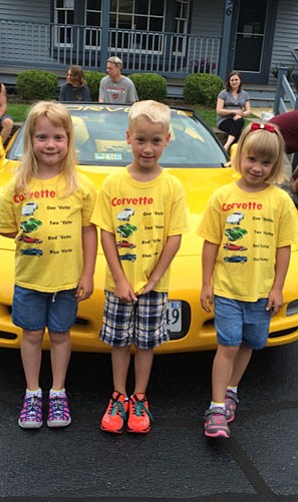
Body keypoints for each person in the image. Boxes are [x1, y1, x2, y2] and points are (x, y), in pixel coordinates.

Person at [0, 101, 98, 429]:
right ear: (30, 140)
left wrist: (88, 273)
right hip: (30, 279)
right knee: (31, 334)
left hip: (67, 280)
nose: (50, 145)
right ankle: (31, 392)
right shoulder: (17, 186)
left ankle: (57, 391)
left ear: (68, 140)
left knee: (61, 335)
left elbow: (88, 232)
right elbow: (8, 227)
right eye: (42, 137)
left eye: (57, 137)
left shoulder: (80, 186)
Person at [91, 100, 188, 434]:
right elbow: (106, 233)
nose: (148, 148)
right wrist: (119, 279)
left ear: (167, 140)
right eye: (141, 140)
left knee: (146, 344)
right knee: (119, 342)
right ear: (128, 137)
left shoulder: (172, 187)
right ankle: (118, 396)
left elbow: (174, 237)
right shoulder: (113, 184)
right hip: (119, 284)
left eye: (156, 141)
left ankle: (140, 397)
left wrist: (155, 277)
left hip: (153, 286)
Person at [197, 121, 298, 439]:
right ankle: (215, 408)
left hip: (261, 291)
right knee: (227, 345)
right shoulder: (222, 196)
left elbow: (284, 249)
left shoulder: (281, 201)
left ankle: (231, 390)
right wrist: (206, 283)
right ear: (239, 156)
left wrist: (278, 287)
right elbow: (210, 243)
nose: (257, 168)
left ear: (276, 164)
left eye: (266, 162)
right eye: (251, 159)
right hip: (228, 288)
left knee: (248, 344)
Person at [216, 71, 253, 151]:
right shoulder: (223, 93)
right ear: (229, 82)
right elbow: (219, 111)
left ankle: (226, 146)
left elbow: (248, 111)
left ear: (240, 81)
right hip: (224, 120)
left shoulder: (245, 94)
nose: (234, 82)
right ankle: (233, 149)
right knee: (237, 130)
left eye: (236, 79)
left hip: (237, 119)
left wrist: (241, 114)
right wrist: (233, 111)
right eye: (232, 80)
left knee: (240, 122)